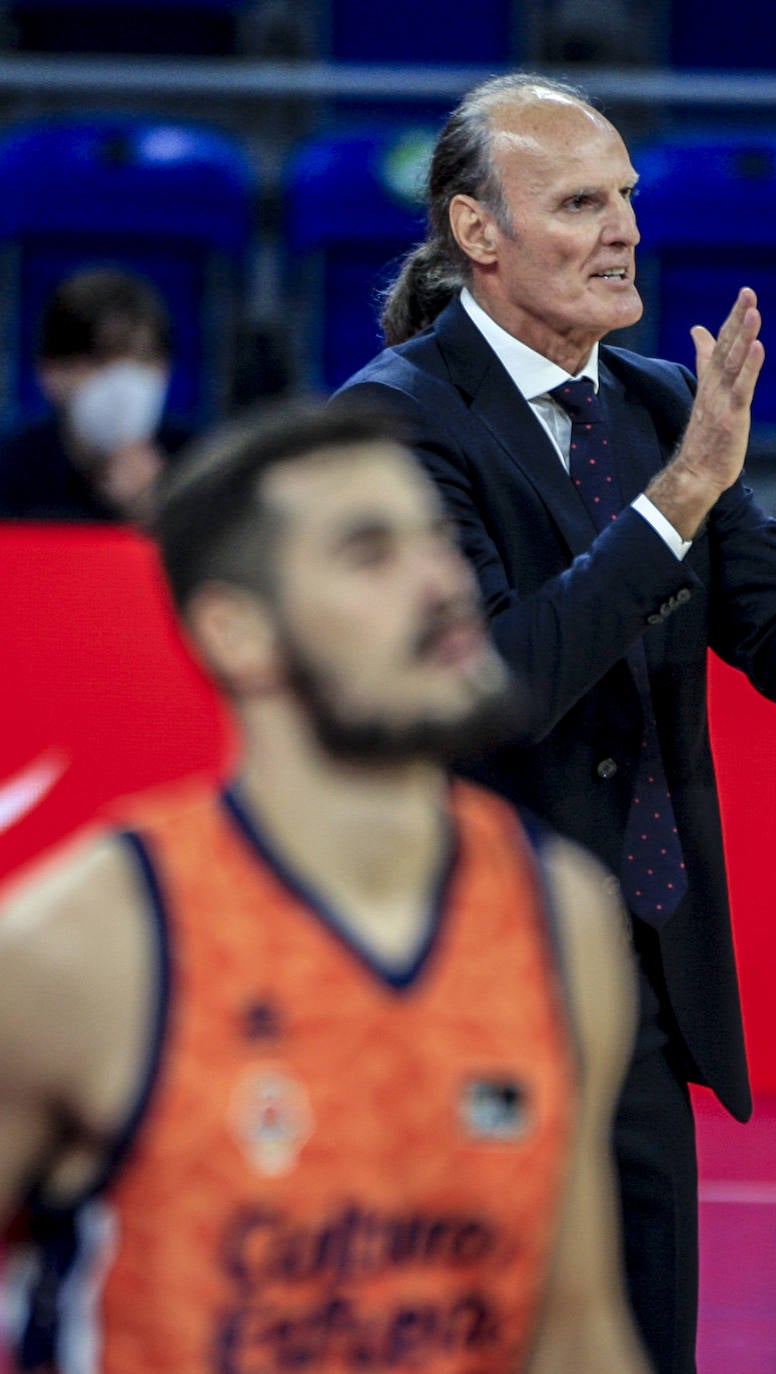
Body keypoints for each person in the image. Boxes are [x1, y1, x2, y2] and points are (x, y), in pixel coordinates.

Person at [332, 73, 776, 1373]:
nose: (625, 230)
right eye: (580, 202)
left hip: (639, 985)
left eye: (628, 197)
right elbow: (499, 681)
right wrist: (675, 503)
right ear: (477, 231)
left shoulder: (662, 403)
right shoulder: (394, 421)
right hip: (464, 986)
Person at [0, 403, 650, 1373]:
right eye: (368, 553)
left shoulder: (562, 917)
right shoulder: (79, 949)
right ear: (238, 634)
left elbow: (573, 1331)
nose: (442, 582)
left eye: (435, 538)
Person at [0, 266, 190, 524]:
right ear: (51, 374)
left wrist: (157, 512)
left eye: (142, 360)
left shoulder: (196, 465)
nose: (123, 382)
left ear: (165, 371)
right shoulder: (12, 468)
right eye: (101, 362)